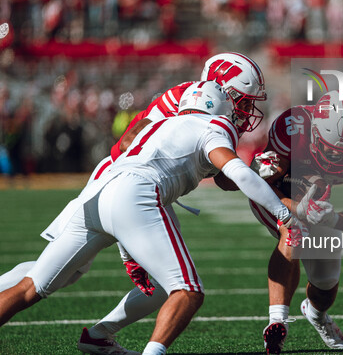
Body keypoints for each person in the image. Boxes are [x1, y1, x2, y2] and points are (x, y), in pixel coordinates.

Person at [0, 81, 299, 355]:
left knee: (30, 288)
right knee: (188, 291)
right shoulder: (212, 126)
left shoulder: (161, 123)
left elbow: (130, 163)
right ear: (217, 107)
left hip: (97, 192)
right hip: (135, 194)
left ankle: (101, 337)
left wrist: (127, 251)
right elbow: (236, 172)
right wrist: (283, 212)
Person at [244, 90, 343, 354]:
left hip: (315, 201)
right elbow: (262, 184)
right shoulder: (293, 128)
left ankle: (316, 314)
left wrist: (333, 218)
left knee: (326, 283)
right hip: (278, 194)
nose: (337, 158)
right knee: (295, 232)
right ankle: (277, 324)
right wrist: (296, 209)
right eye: (332, 150)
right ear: (315, 131)